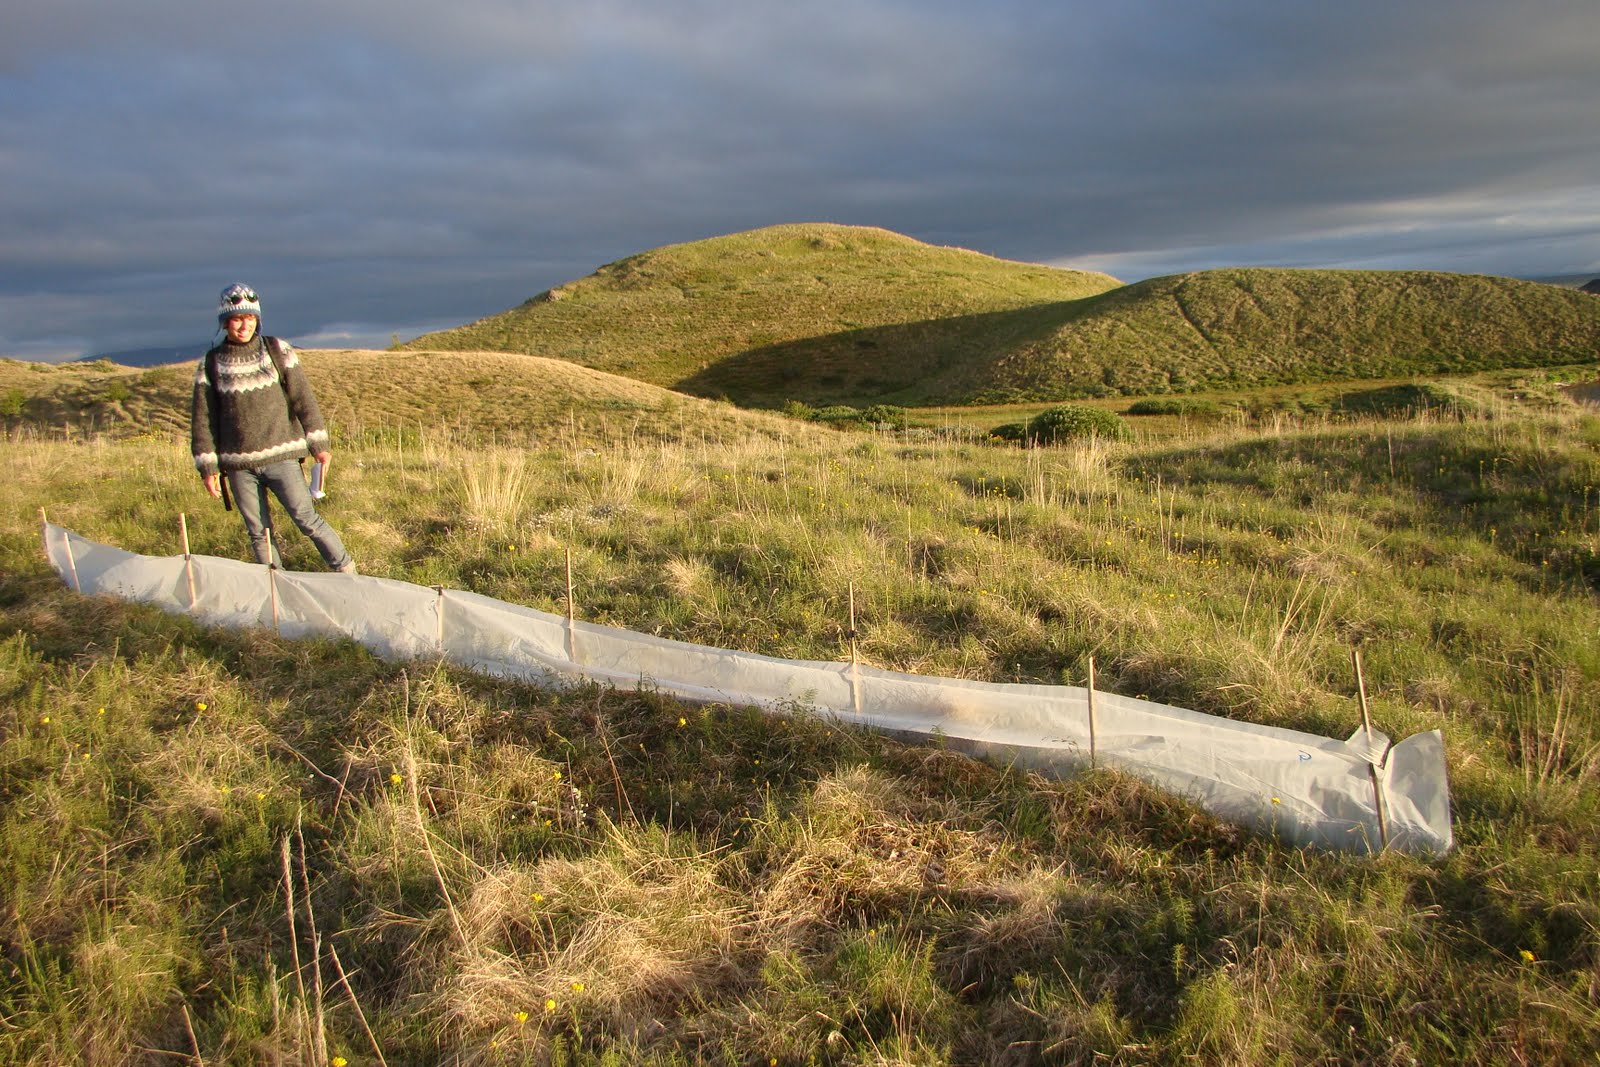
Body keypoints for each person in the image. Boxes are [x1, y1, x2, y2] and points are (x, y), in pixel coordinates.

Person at [191, 283, 357, 573]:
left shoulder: (277, 350)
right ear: (225, 321)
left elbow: (303, 398)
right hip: (239, 465)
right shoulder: (211, 363)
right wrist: (208, 468)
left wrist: (320, 446)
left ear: (258, 319)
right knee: (259, 532)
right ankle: (276, 589)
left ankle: (348, 573)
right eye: (237, 318)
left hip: (283, 458)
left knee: (307, 519)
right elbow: (203, 418)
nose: (244, 325)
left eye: (250, 318)